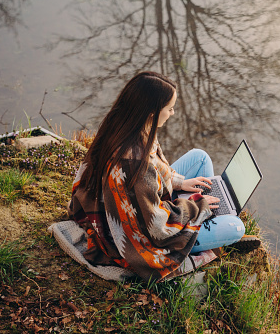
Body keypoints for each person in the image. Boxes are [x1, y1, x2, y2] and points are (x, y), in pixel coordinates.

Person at [67, 71, 258, 282]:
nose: (173, 113)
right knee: (236, 228)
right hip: (139, 240)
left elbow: (154, 169)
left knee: (200, 158)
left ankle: (212, 220)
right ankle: (212, 231)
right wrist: (196, 206)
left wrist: (181, 183)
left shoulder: (125, 125)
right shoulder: (135, 163)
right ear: (151, 113)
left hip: (133, 204)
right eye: (170, 108)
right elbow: (156, 228)